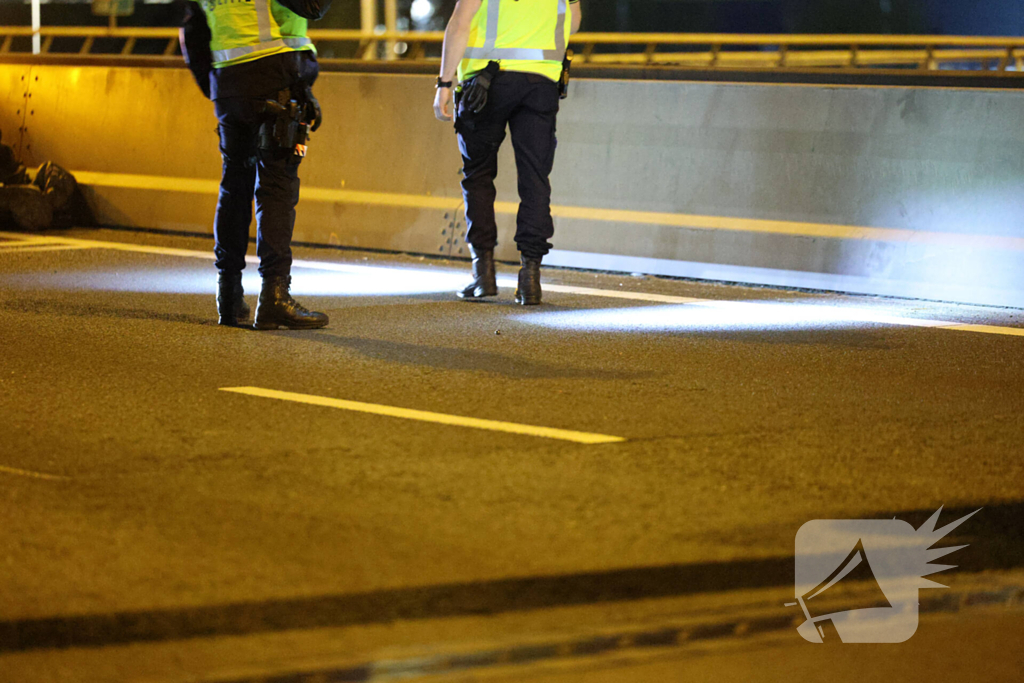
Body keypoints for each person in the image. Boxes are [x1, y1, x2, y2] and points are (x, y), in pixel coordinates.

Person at [181, 0, 331, 329]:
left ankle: (229, 297)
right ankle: (275, 295)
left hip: (229, 81)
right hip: (273, 76)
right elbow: (312, 6)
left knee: (234, 185)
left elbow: (191, 31)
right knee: (277, 187)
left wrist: (218, 87)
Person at [434, 0, 582, 305]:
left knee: (478, 175)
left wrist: (444, 83)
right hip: (540, 83)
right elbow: (573, 21)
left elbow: (461, 22)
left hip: (486, 84)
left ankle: (483, 274)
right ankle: (530, 278)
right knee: (535, 178)